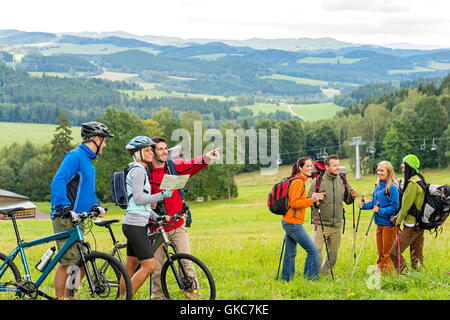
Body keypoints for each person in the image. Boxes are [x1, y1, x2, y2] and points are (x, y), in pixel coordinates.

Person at [147, 136, 220, 300]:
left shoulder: (173, 167)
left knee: (186, 265)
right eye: (160, 149)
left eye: (166, 148)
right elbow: (138, 198)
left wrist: (207, 157)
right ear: (152, 152)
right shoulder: (145, 173)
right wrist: (149, 204)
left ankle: (195, 299)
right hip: (156, 229)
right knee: (157, 271)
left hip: (177, 224)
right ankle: (158, 298)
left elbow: (192, 165)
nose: (165, 151)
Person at [50, 121, 113, 299]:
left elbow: (87, 192)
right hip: (65, 218)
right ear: (96, 139)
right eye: (105, 141)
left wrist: (95, 205)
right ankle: (62, 297)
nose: (105, 145)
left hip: (78, 220)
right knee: (69, 262)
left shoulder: (89, 163)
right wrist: (65, 206)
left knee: (80, 263)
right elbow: (58, 181)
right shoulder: (75, 156)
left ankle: (69, 294)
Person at [120, 136, 173, 297]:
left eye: (151, 150)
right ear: (138, 153)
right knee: (149, 266)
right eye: (147, 150)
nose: (151, 153)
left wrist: (156, 217)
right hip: (135, 225)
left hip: (136, 222)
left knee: (131, 266)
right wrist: (161, 195)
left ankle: (121, 296)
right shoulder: (138, 171)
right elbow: (139, 199)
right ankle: (127, 297)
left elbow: (140, 205)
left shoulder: (140, 170)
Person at [307, 154, 357, 275]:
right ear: (327, 167)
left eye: (338, 165)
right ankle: (313, 276)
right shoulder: (317, 181)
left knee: (333, 256)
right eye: (334, 165)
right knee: (316, 252)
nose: (338, 168)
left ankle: (325, 274)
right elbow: (308, 200)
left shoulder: (343, 181)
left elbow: (348, 200)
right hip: (320, 224)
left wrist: (352, 196)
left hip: (337, 225)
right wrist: (315, 198)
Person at [281, 156, 324, 281]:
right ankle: (310, 280)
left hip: (288, 221)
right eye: (307, 166)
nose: (311, 168)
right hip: (293, 223)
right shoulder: (299, 182)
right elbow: (294, 203)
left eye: (311, 166)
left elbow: (296, 201)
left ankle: (286, 280)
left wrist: (311, 198)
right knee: (313, 251)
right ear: (300, 168)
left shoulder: (297, 180)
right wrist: (312, 200)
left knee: (290, 253)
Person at [359, 160, 400, 274]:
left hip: (388, 224)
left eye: (382, 170)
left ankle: (389, 275)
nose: (379, 173)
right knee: (381, 252)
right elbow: (374, 202)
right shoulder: (378, 186)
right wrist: (363, 206)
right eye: (378, 170)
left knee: (387, 252)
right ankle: (381, 272)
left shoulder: (392, 187)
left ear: (388, 172)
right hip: (379, 223)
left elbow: (395, 207)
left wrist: (380, 211)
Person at [390, 154, 427, 273]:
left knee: (394, 252)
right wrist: (398, 216)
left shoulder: (412, 184)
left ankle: (405, 276)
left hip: (411, 226)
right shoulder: (420, 179)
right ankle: (419, 278)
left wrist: (398, 221)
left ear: (409, 165)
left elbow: (406, 207)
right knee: (416, 255)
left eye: (403, 163)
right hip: (419, 224)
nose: (402, 165)